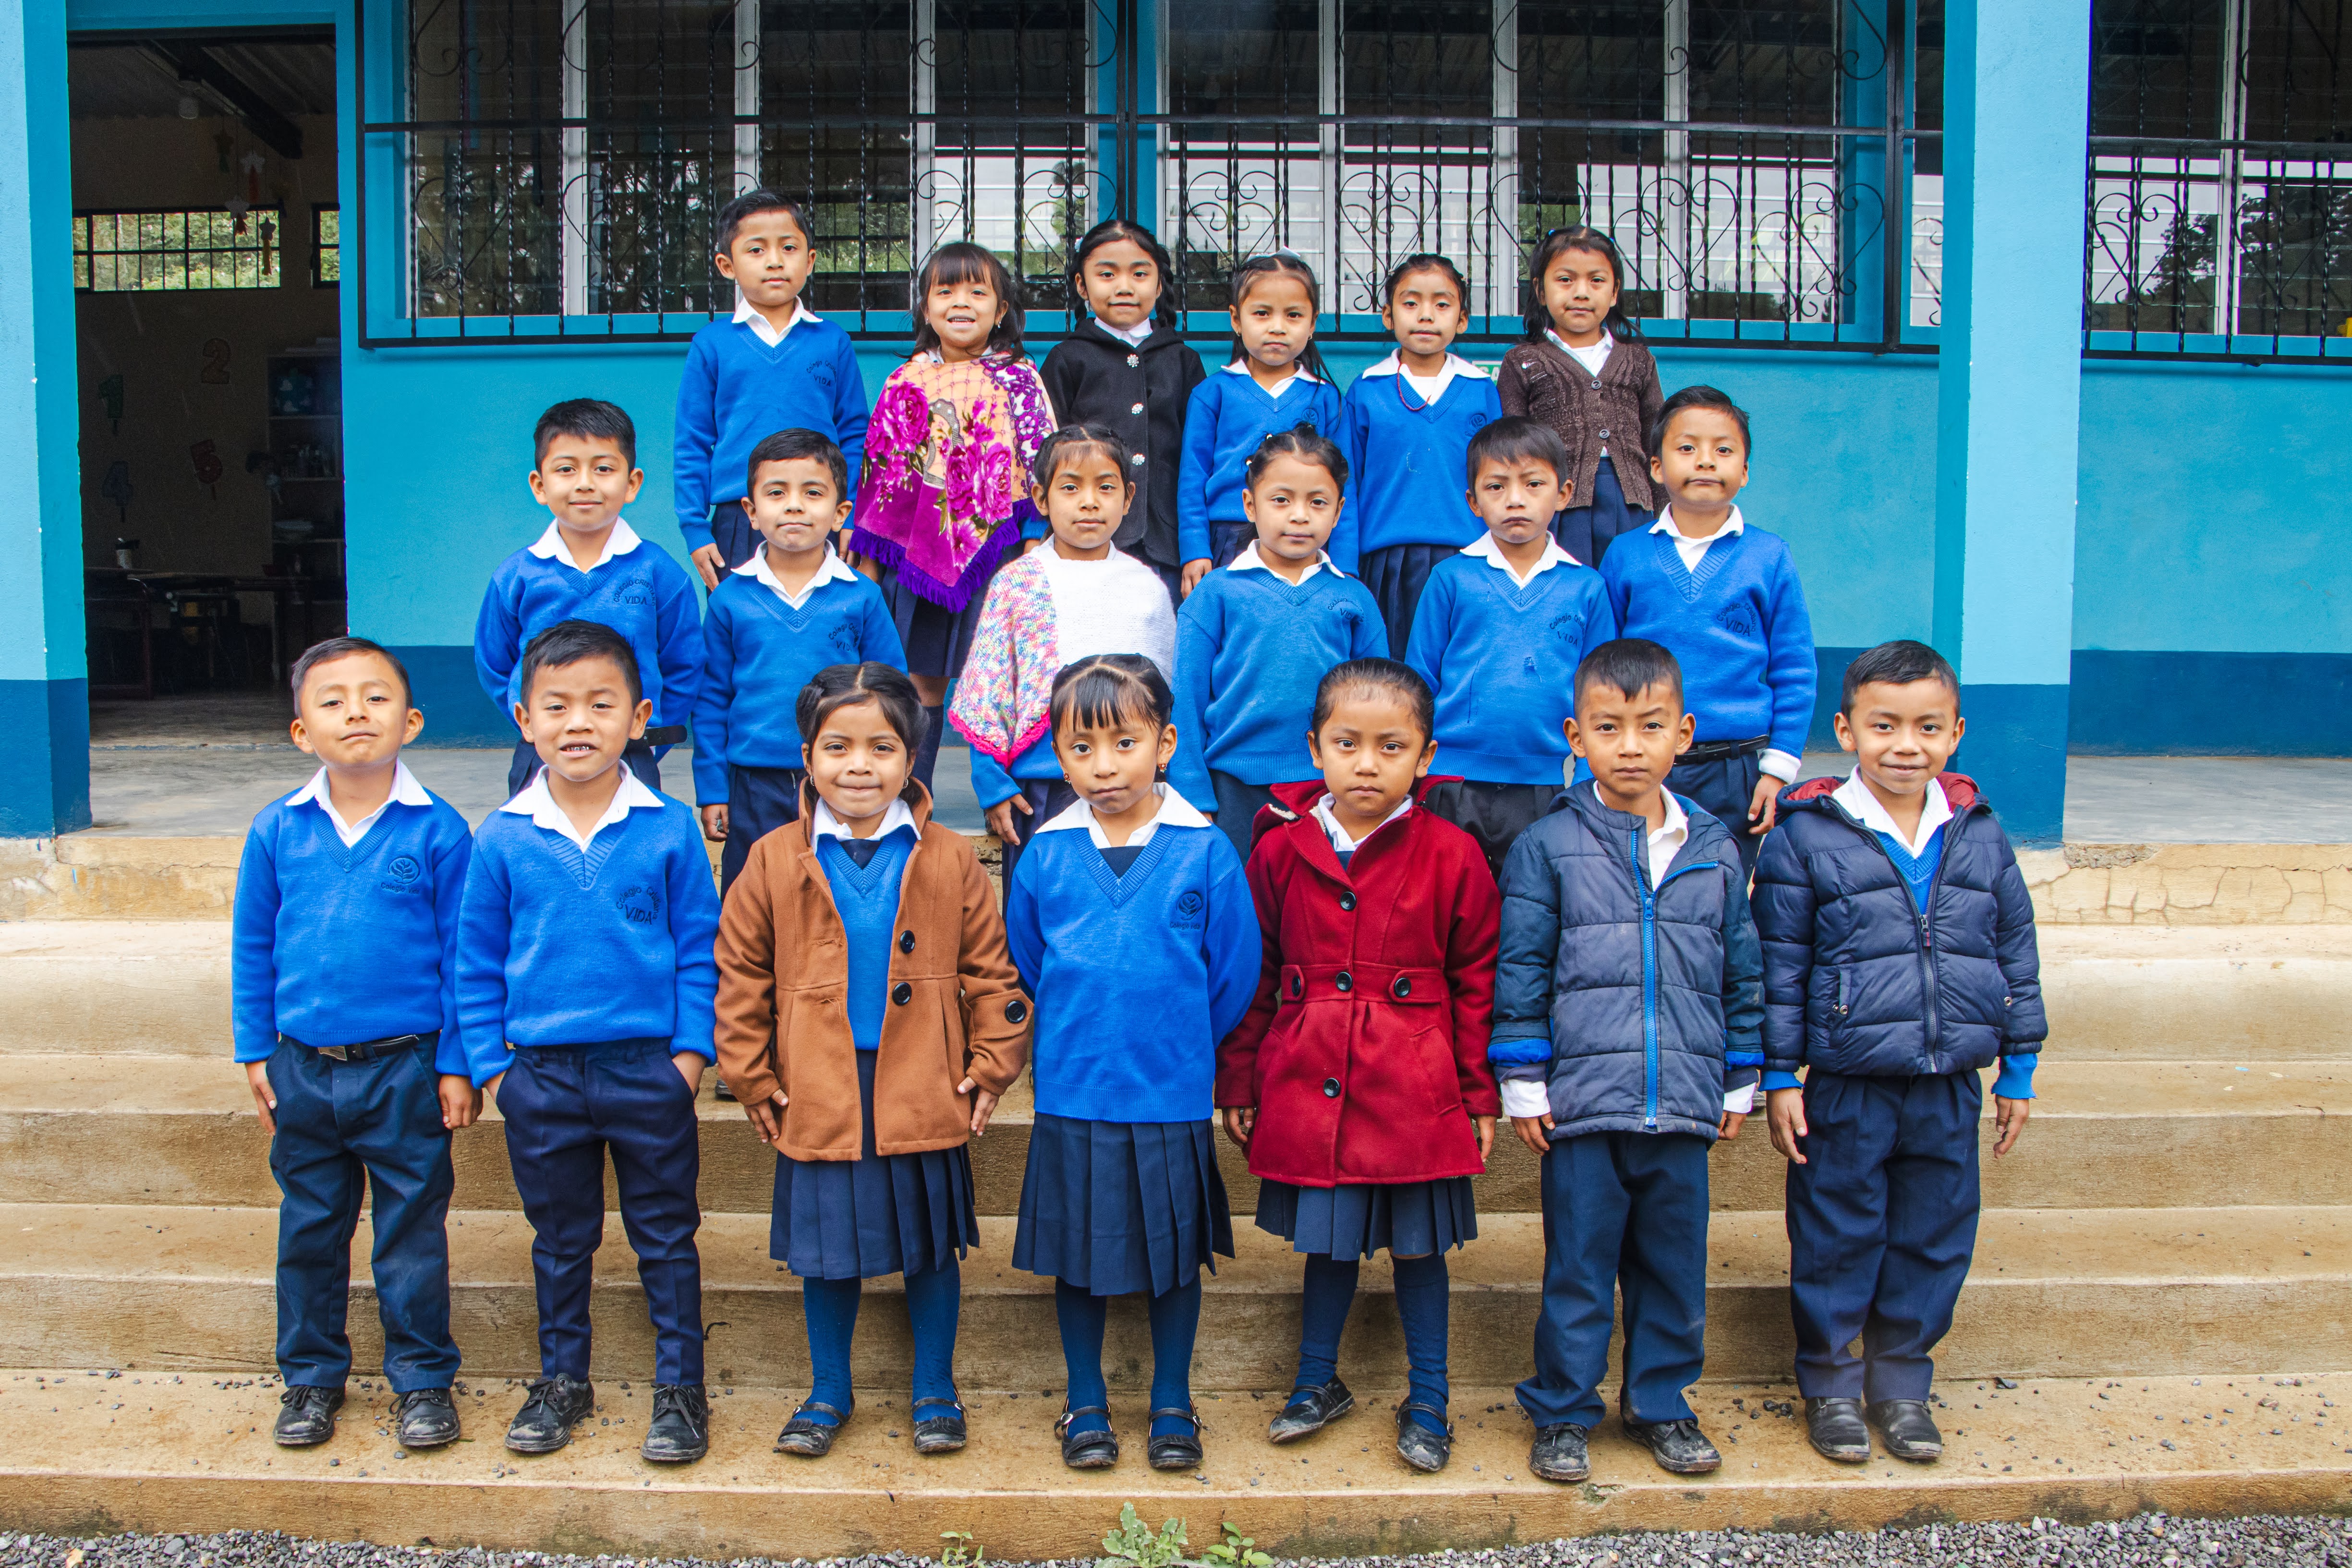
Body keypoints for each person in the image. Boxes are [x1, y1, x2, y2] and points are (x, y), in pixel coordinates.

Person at [712, 662, 1030, 1459]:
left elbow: (993, 972)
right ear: (806, 756)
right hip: (818, 1085)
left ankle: (935, 1387)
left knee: (929, 1245)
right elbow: (740, 974)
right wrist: (750, 1074)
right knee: (826, 1252)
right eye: (838, 747)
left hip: (923, 1081)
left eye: (881, 748)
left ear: (911, 759)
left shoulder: (950, 857)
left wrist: (992, 1063)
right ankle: (828, 1389)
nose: (859, 766)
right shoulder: (772, 858)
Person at [1751, 639, 2045, 1467]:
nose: (1904, 745)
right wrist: (1777, 1075)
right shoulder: (1805, 838)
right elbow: (1778, 967)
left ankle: (1902, 1384)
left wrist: (2017, 1065)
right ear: (1846, 730)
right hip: (1846, 1082)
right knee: (1834, 1234)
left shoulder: (1978, 833)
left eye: (1926, 727)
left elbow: (2014, 951)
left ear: (1956, 732)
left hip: (1948, 1080)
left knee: (1934, 1233)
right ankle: (1830, 1385)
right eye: (1883, 726)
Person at [1216, 659, 1500, 1474]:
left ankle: (1430, 1396)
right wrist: (1239, 1076)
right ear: (1315, 748)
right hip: (1310, 1076)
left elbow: (1476, 980)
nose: (1367, 764)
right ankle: (1316, 1380)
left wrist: (1477, 1091)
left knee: (1419, 1246)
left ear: (1425, 755)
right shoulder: (1279, 851)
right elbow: (1254, 974)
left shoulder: (1453, 853)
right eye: (1347, 744)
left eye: (1390, 746)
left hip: (1416, 1082)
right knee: (1329, 1241)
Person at [1492, 638, 1763, 1486]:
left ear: (1684, 733)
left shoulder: (1713, 846)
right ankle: (1562, 1410)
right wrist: (1523, 1079)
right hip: (1584, 1104)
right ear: (1576, 737)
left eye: (1650, 726)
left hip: (1681, 1097)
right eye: (1608, 728)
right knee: (1577, 1268)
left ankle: (1660, 1403)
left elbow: (1739, 967)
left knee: (1672, 1267)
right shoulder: (1546, 845)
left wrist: (1740, 1072)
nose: (1630, 746)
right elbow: (1522, 966)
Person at [456, 620, 720, 1465]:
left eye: (601, 704)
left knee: (665, 1237)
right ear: (523, 718)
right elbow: (474, 963)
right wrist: (495, 1069)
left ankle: (681, 1389)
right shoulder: (501, 836)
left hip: (646, 1071)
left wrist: (687, 1058)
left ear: (639, 718)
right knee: (561, 1240)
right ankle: (562, 1380)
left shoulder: (670, 827)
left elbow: (699, 949)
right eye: (557, 705)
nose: (578, 722)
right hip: (540, 1077)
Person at [1004, 655, 1261, 1473]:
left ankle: (1172, 1399)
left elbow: (1233, 974)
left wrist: (1177, 1039)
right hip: (1075, 1086)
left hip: (1169, 1089)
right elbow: (1030, 960)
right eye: (1082, 748)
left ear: (1165, 743)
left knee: (1172, 1253)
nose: (1104, 765)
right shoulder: (1045, 854)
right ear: (1058, 755)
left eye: (1124, 742)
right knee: (1076, 1253)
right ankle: (1084, 1399)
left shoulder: (1205, 851)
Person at [232, 637, 476, 1453]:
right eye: (331, 701)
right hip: (302, 1067)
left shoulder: (439, 830)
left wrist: (456, 1062)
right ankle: (310, 1378)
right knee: (309, 1229)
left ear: (411, 720)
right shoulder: (278, 829)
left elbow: (462, 956)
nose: (356, 713)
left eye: (376, 697)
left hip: (405, 1068)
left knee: (411, 1233)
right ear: (301, 731)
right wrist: (255, 1048)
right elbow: (252, 945)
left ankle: (423, 1380)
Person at [849, 242, 1057, 793]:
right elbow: (882, 475)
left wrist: (1033, 542)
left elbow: (1041, 464)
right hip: (917, 558)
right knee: (919, 684)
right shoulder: (905, 381)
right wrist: (870, 564)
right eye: (945, 291)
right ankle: (911, 797)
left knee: (1001, 681)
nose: (960, 302)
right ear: (924, 306)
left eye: (976, 291)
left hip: (998, 554)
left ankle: (1005, 800)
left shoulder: (1020, 379)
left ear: (1002, 309)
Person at [1600, 385, 1815, 880]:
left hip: (1737, 767)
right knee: (1635, 884)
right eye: (1686, 448)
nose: (1704, 461)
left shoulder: (1769, 557)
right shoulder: (1625, 555)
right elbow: (1602, 667)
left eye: (1723, 450)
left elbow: (1794, 669)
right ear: (1656, 468)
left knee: (1721, 890)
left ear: (1745, 471)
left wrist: (1777, 770)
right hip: (1643, 761)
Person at [949, 424, 1177, 878]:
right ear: (1041, 497)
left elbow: (1168, 696)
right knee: (1043, 895)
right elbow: (987, 694)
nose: (1089, 502)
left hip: (1131, 786)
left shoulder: (1146, 589)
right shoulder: (1018, 583)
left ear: (1128, 498)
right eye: (1071, 488)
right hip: (1041, 788)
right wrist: (994, 786)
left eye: (1105, 488)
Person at [694, 429, 905, 897]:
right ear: (750, 511)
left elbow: (893, 694)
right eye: (776, 493)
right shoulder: (729, 600)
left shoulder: (862, 597)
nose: (794, 506)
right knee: (754, 895)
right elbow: (710, 700)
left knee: (836, 895)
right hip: (753, 781)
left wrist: (888, 775)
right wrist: (712, 788)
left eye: (812, 493)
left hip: (843, 780)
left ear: (840, 513)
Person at [1406, 417, 1618, 878]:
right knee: (1447, 896)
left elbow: (1601, 697)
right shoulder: (1451, 578)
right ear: (1473, 501)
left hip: (1546, 784)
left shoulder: (1586, 588)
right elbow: (1418, 682)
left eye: (1533, 484)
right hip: (1451, 782)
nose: (1515, 499)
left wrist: (1587, 778)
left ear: (1563, 494)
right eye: (1496, 487)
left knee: (1532, 899)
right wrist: (1413, 771)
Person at [1168, 425, 1387, 859]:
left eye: (1318, 502)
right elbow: (1186, 699)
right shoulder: (1216, 593)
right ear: (1250, 504)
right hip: (1231, 789)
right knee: (1240, 897)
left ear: (1339, 512)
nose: (1300, 516)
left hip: (1330, 790)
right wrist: (1192, 790)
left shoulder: (1355, 598)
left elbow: (1379, 702)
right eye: (1281, 500)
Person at [473, 399, 703, 798]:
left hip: (632, 750)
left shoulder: (660, 573)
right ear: (540, 486)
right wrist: (539, 728)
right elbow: (495, 664)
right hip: (542, 753)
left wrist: (648, 737)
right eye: (566, 469)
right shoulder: (517, 576)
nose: (585, 483)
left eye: (604, 469)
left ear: (632, 484)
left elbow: (685, 663)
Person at [672, 188, 871, 588]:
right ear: (727, 265)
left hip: (820, 513)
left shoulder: (832, 341)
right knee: (741, 622)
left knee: (825, 617)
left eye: (789, 248)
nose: (775, 261)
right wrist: (694, 527)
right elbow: (692, 442)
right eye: (756, 250)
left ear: (810, 260)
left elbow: (855, 434)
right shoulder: (712, 344)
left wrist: (851, 515)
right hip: (738, 518)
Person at [1335, 254, 1504, 653]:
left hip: (1468, 556)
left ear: (1462, 320)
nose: (1426, 315)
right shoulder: (1367, 390)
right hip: (1387, 562)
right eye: (1411, 303)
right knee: (1391, 670)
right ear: (1388, 316)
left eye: (1442, 304)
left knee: (1460, 662)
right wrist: (1344, 564)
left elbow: (1499, 477)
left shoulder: (1480, 390)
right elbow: (1347, 484)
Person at [1040, 218, 1206, 606]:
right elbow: (1042, 454)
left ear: (1159, 285)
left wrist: (1196, 545)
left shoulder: (1183, 361)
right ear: (1082, 285)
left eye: (1140, 274)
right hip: (1085, 541)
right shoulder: (1068, 359)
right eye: (1107, 274)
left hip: (1166, 543)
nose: (1125, 287)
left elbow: (1196, 461)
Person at [1497, 226, 1664, 570]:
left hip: (1632, 504)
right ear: (1541, 292)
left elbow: (1658, 440)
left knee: (1628, 587)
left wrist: (1665, 513)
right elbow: (1512, 446)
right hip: (1557, 507)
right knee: (1565, 590)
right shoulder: (1522, 361)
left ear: (1615, 292)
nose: (1582, 293)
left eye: (1596, 281)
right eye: (1566, 280)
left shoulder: (1638, 360)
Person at [1177, 253, 1344, 589]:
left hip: (1304, 540)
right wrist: (1195, 550)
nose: (1277, 327)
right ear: (1236, 320)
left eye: (1293, 315)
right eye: (1262, 313)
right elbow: (1193, 478)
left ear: (1312, 324)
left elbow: (1344, 484)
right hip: (1227, 538)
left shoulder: (1326, 398)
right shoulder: (1213, 393)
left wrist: (1344, 562)